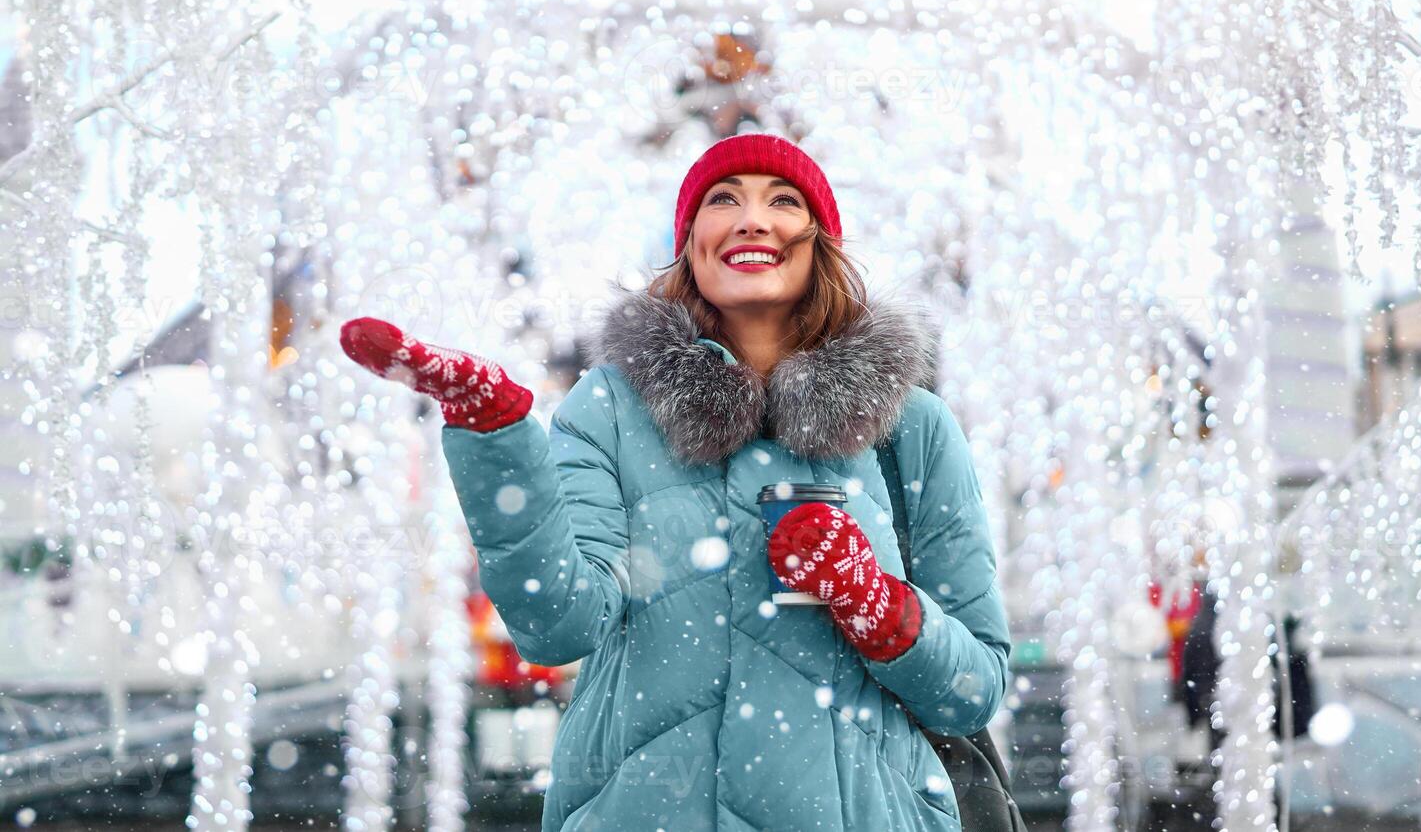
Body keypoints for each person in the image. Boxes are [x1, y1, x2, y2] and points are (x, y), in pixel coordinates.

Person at [338, 133, 1013, 831]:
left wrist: (877, 605)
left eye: (783, 199)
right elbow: (556, 624)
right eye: (724, 200)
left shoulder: (912, 428)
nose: (752, 218)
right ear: (691, 242)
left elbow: (973, 691)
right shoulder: (609, 408)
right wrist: (495, 435)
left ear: (821, 243)